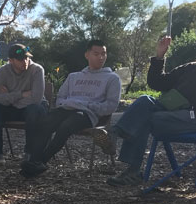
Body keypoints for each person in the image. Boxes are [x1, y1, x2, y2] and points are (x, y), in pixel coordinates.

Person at [101, 27, 196, 186]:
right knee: (144, 100)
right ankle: (115, 134)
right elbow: (157, 83)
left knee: (146, 118)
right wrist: (159, 56)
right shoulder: (191, 67)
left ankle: (132, 169)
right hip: (172, 112)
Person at [20, 39, 121, 178]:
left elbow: (111, 106)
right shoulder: (74, 77)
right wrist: (69, 104)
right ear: (87, 55)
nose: (101, 57)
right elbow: (60, 98)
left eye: (103, 54)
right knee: (46, 122)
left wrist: (84, 105)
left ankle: (40, 162)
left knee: (66, 126)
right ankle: (33, 161)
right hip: (67, 110)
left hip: (88, 115)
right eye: (96, 53)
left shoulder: (112, 78)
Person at [0, 44, 48, 165]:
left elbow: (36, 98)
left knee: (33, 110)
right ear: (10, 60)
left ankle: (30, 153)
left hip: (33, 108)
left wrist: (10, 97)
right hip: (14, 107)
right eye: (20, 59)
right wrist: (21, 94)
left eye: (26, 58)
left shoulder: (37, 70)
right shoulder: (3, 71)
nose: (24, 61)